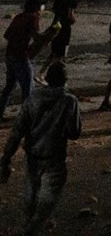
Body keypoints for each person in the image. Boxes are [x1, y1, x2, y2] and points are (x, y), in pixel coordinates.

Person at [0, 62, 81, 235]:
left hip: (33, 157)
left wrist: (6, 158)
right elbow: (74, 133)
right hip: (55, 159)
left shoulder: (33, 99)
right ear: (65, 81)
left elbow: (17, 131)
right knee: (45, 206)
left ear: (47, 80)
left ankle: (27, 230)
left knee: (30, 201)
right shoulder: (69, 101)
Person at [0, 0, 44, 121]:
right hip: (21, 56)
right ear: (36, 8)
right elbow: (37, 38)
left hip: (10, 55)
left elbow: (7, 35)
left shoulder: (18, 17)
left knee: (9, 87)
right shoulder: (33, 19)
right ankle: (27, 118)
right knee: (28, 89)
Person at [39, 0, 79, 79]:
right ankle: (56, 76)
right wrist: (73, 20)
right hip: (65, 27)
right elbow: (70, 14)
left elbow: (55, 10)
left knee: (54, 51)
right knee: (61, 55)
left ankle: (41, 73)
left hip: (56, 24)